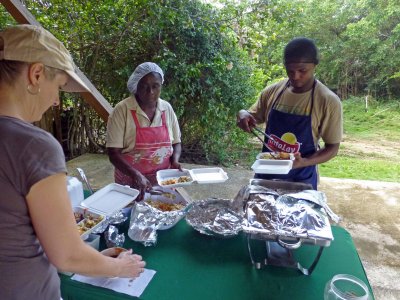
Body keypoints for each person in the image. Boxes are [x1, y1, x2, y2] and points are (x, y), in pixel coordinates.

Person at [0, 25, 145, 300]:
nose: (56, 101)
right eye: (58, 87)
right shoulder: (34, 146)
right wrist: (118, 267)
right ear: (36, 74)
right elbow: (66, 255)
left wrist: (89, 258)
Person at [237, 37, 343, 190]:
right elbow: (251, 116)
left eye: (302, 71)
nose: (295, 76)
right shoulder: (272, 92)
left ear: (315, 65)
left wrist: (304, 162)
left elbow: (332, 148)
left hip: (300, 179)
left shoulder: (327, 101)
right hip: (265, 176)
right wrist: (243, 114)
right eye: (290, 71)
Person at [106, 62, 182, 199]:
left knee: (164, 211)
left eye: (155, 86)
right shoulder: (122, 110)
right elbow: (113, 153)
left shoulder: (167, 108)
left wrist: (175, 161)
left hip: (163, 181)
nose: (150, 92)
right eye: (145, 86)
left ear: (161, 86)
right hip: (129, 180)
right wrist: (135, 174)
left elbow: (176, 142)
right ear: (136, 86)